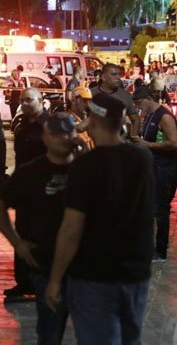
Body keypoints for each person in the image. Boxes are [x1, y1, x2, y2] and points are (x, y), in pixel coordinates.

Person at [46, 94, 154, 345]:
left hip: (96, 275)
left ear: (93, 121)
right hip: (135, 272)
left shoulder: (85, 167)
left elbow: (72, 228)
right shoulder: (142, 159)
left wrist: (55, 279)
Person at [0, 112, 77, 344]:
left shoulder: (86, 168)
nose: (63, 139)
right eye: (56, 134)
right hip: (45, 264)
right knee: (50, 333)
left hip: (84, 268)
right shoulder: (31, 172)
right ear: (46, 138)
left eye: (68, 133)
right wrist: (16, 242)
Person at [7, 87, 49, 298]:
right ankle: (23, 282)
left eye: (29, 100)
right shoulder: (22, 127)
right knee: (22, 233)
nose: (24, 103)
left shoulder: (49, 126)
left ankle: (40, 282)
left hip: (44, 192)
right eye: (22, 100)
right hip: (25, 191)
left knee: (41, 237)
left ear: (41, 101)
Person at [132, 85, 177, 261]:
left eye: (139, 103)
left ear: (148, 100)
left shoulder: (164, 116)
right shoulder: (151, 115)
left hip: (165, 169)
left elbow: (174, 142)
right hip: (155, 168)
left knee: (161, 210)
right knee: (153, 208)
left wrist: (147, 145)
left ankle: (161, 250)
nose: (138, 107)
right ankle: (154, 247)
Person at [91, 63, 140, 137]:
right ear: (103, 77)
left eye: (119, 74)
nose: (118, 77)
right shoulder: (91, 94)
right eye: (114, 74)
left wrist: (134, 138)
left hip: (120, 143)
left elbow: (135, 120)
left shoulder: (125, 95)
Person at [68, 86, 94, 151]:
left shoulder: (86, 118)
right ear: (73, 100)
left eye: (89, 101)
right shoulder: (66, 119)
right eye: (84, 101)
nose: (88, 105)